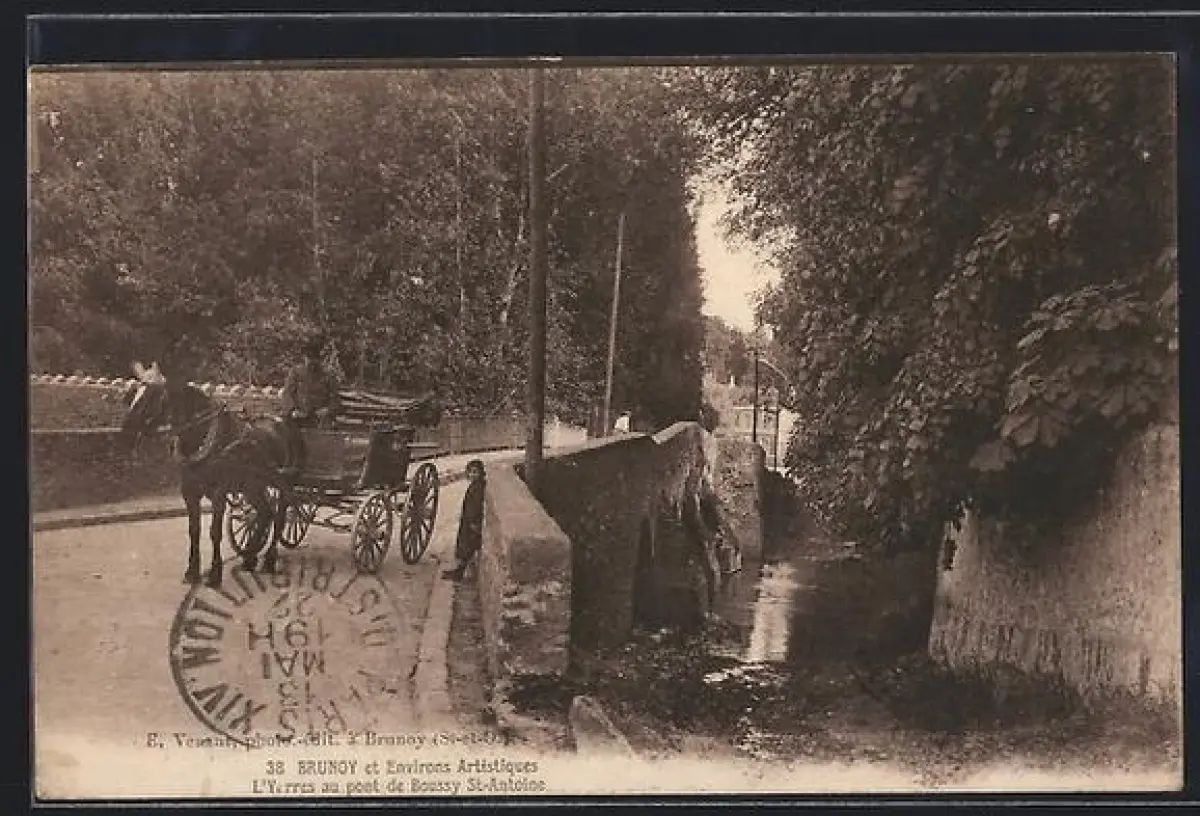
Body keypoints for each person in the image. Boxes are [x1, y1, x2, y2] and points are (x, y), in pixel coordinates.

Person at [278, 335, 341, 472]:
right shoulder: (296, 372)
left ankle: (322, 466)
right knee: (286, 426)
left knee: (327, 433)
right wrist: (292, 410)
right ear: (304, 358)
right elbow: (287, 394)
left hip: (318, 417)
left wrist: (327, 410)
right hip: (298, 416)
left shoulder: (328, 376)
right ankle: (293, 461)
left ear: (320, 360)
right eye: (309, 358)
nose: (312, 362)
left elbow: (336, 400)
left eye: (315, 359)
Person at [442, 459, 487, 581]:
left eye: (475, 472)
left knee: (467, 547)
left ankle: (459, 573)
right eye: (470, 472)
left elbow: (475, 506)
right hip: (468, 520)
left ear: (481, 473)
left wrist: (473, 522)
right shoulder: (475, 486)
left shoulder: (478, 488)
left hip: (471, 522)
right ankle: (460, 571)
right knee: (466, 546)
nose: (472, 475)